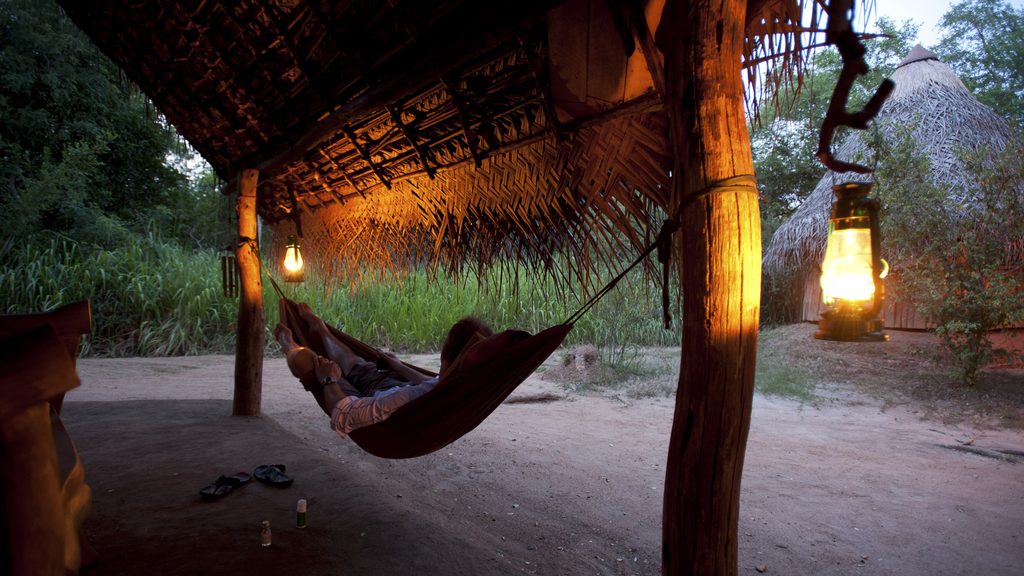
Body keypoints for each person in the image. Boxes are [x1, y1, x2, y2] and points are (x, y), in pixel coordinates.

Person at [275, 306, 493, 438]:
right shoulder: (461, 383)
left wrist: (329, 379)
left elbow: (345, 415)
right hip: (391, 385)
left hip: (368, 402)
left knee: (307, 359)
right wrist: (397, 365)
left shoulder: (409, 399)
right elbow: (435, 381)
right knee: (356, 363)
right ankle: (321, 330)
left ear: (444, 352)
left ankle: (287, 342)